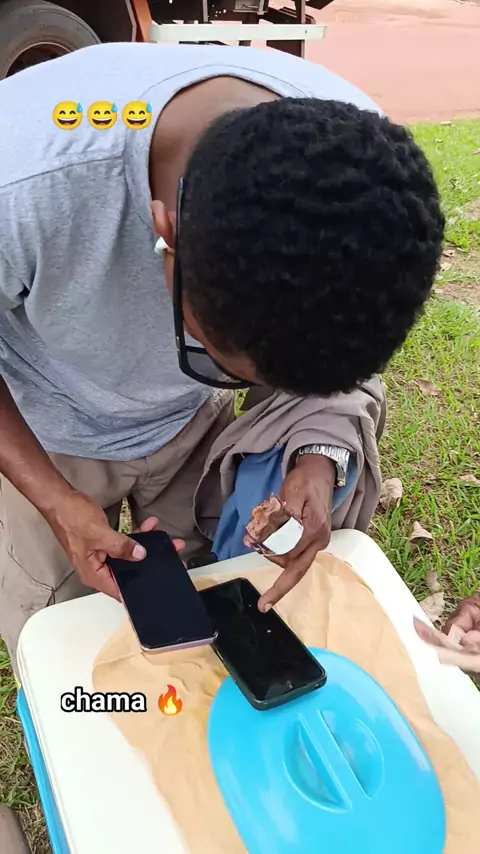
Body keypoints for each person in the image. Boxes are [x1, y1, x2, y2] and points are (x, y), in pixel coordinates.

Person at [0, 42, 444, 673]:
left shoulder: (366, 181)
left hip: (187, 427)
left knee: (204, 617)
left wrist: (316, 459)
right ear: (165, 233)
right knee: (67, 648)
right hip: (45, 432)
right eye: (216, 361)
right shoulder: (22, 186)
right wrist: (53, 501)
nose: (240, 388)